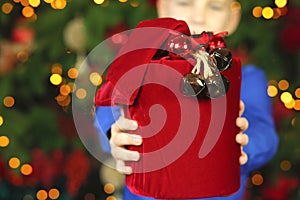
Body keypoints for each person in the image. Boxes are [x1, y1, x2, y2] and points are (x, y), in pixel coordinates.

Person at [94, 0, 279, 199]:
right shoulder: (142, 66)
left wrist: (241, 145)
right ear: (162, 8)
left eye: (215, 7)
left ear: (232, 18)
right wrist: (118, 136)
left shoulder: (246, 78)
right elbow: (106, 109)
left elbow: (265, 136)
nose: (198, 17)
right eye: (184, 3)